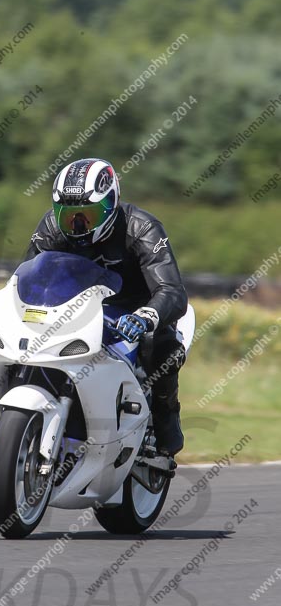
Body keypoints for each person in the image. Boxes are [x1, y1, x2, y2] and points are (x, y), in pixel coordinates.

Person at [23, 157, 188, 456]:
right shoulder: (50, 227)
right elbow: (27, 278)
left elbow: (172, 291)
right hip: (74, 310)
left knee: (159, 345)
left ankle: (166, 415)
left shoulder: (142, 227)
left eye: (87, 215)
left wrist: (146, 317)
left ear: (111, 204)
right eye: (68, 215)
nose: (76, 225)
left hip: (133, 311)